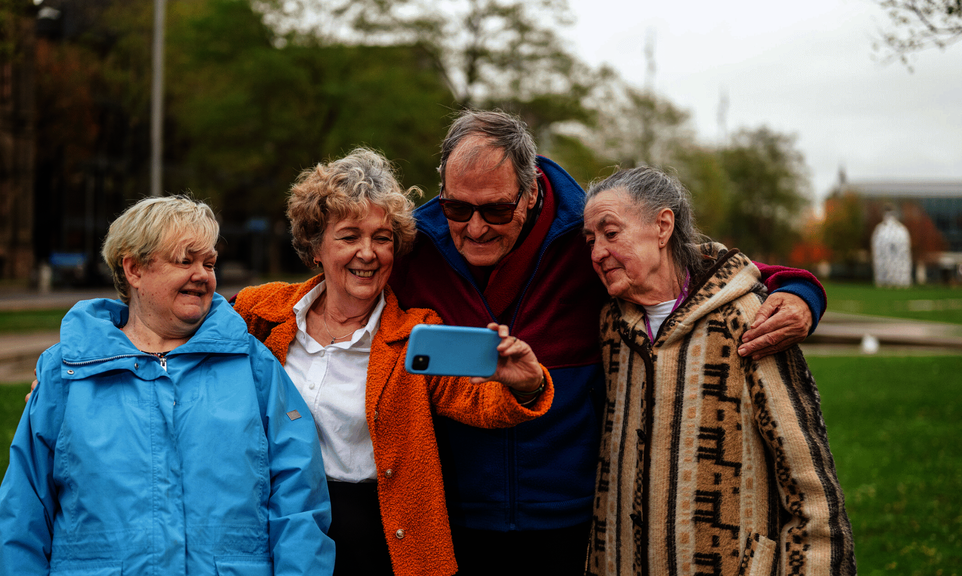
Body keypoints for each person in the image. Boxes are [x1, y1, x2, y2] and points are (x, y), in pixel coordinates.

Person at [387, 110, 829, 575]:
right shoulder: (417, 244)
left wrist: (800, 292)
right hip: (454, 518)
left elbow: (699, 267)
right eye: (457, 208)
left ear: (531, 190)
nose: (475, 228)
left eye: (496, 210)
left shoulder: (587, 234)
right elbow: (348, 278)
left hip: (572, 522)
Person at [231, 149, 554, 576]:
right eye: (349, 236)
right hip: (278, 525)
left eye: (382, 238)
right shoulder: (262, 312)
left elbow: (474, 401)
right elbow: (184, 336)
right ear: (315, 248)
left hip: (381, 537)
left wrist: (524, 385)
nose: (368, 253)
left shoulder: (416, 333)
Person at [0, 196, 334, 575]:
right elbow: (23, 514)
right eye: (185, 261)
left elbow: (299, 500)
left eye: (209, 263)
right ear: (133, 269)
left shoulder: (252, 365)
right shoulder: (67, 372)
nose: (202, 275)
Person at [583, 167, 855, 575]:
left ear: (662, 226)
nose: (597, 252)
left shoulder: (750, 318)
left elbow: (810, 488)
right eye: (590, 240)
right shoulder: (610, 329)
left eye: (610, 233)